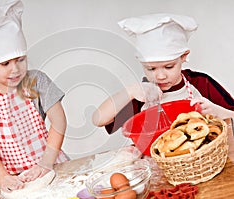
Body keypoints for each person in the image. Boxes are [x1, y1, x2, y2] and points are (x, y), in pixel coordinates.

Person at [0, 0, 69, 192]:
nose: (15, 69)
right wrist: (3, 178)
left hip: (51, 166)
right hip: (15, 179)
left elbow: (59, 121)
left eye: (20, 60)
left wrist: (46, 163)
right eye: (5, 64)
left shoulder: (37, 80)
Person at [92, 13, 234, 134]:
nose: (160, 76)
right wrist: (130, 91)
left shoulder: (201, 83)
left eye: (168, 67)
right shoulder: (142, 94)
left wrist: (217, 111)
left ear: (183, 57)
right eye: (151, 69)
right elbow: (98, 119)